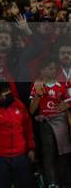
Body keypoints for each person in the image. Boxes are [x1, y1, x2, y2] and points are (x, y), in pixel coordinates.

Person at [29, 60, 71, 188]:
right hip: (45, 123)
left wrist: (67, 105)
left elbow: (67, 104)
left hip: (61, 122)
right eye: (49, 68)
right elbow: (31, 110)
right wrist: (39, 95)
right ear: (42, 70)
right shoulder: (37, 86)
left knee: (63, 153)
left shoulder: (62, 85)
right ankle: (52, 183)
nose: (52, 71)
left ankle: (66, 181)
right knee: (49, 153)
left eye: (53, 68)